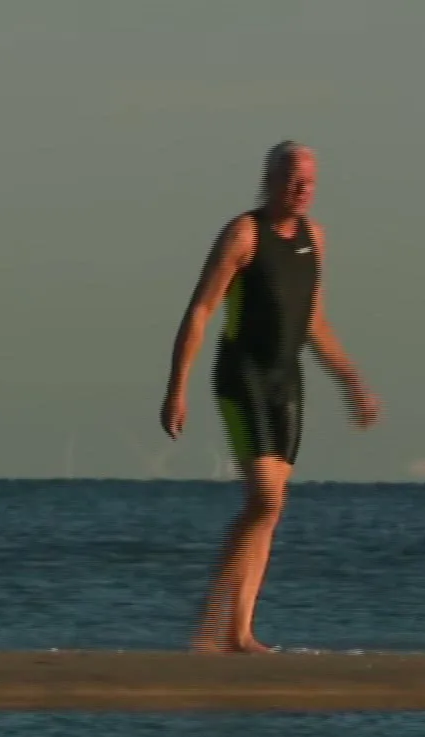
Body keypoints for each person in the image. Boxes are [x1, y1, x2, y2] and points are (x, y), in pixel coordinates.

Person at [159, 142, 381, 653]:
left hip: (288, 383)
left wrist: (352, 383)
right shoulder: (244, 235)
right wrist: (177, 389)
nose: (301, 190)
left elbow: (314, 321)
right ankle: (210, 622)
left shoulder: (314, 239)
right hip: (242, 376)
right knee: (265, 495)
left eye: (309, 182)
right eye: (292, 179)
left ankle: (237, 631)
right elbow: (200, 310)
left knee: (270, 509)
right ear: (270, 179)